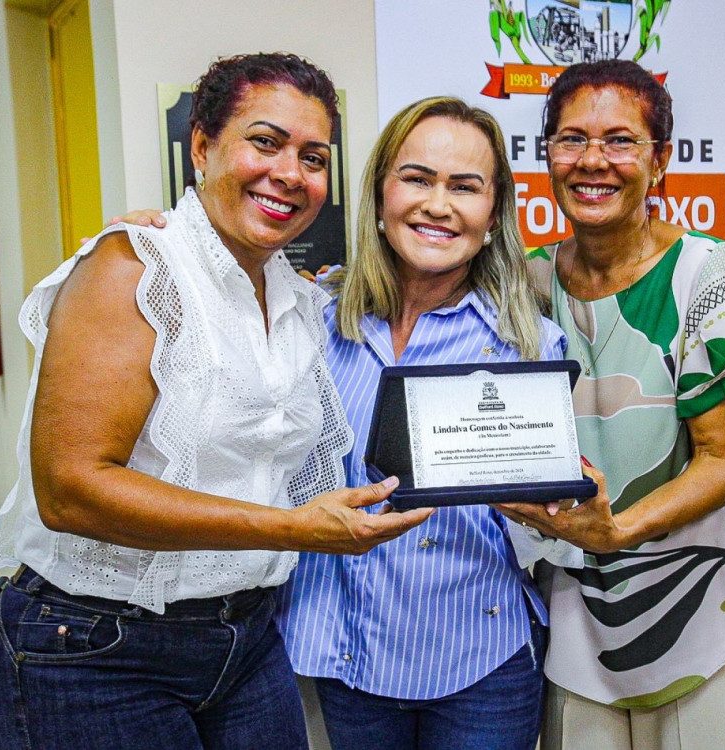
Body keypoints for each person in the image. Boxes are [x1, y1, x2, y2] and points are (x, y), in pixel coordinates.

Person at [0, 53, 432, 750]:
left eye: (314, 157)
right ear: (201, 145)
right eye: (265, 141)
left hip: (245, 639)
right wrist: (294, 530)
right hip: (99, 649)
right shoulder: (132, 269)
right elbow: (70, 491)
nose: (290, 173)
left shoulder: (295, 297)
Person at [278, 96, 598, 750]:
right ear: (378, 195)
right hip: (344, 654)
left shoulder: (530, 348)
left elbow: (554, 529)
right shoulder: (306, 322)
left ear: (494, 212)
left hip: (480, 660)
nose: (438, 204)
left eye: (465, 186)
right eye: (417, 179)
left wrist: (562, 507)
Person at [496, 59, 725, 750]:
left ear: (659, 162)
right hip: (578, 619)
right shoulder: (527, 283)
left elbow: (720, 459)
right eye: (571, 140)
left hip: (700, 611)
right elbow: (411, 275)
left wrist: (615, 531)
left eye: (620, 140)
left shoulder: (708, 278)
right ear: (548, 157)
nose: (594, 161)